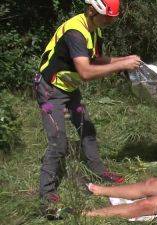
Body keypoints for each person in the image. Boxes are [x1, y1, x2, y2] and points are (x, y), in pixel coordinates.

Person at [34, 0, 142, 217]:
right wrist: (121, 66)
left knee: (87, 128)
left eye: (113, 18)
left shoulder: (95, 29)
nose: (111, 22)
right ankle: (47, 197)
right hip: (50, 90)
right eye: (108, 17)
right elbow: (85, 71)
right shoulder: (76, 32)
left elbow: (97, 59)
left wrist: (125, 58)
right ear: (92, 10)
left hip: (70, 88)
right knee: (58, 142)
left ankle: (99, 172)